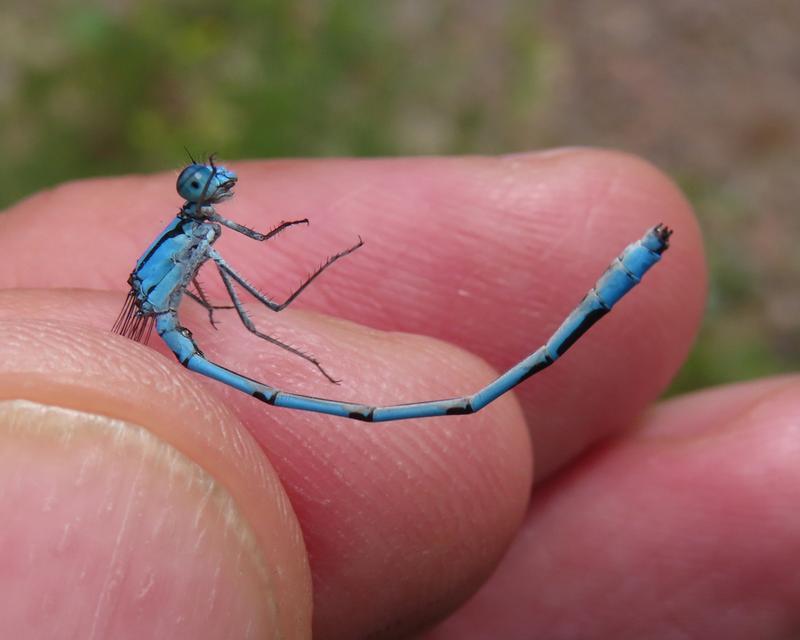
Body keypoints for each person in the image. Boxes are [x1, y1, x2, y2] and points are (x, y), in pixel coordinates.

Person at [0, 149, 795, 639]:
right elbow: (255, 305)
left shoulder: (192, 236)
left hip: (171, 325)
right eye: (208, 183)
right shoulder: (193, 244)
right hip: (166, 342)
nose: (220, 185)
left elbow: (248, 304)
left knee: (282, 334)